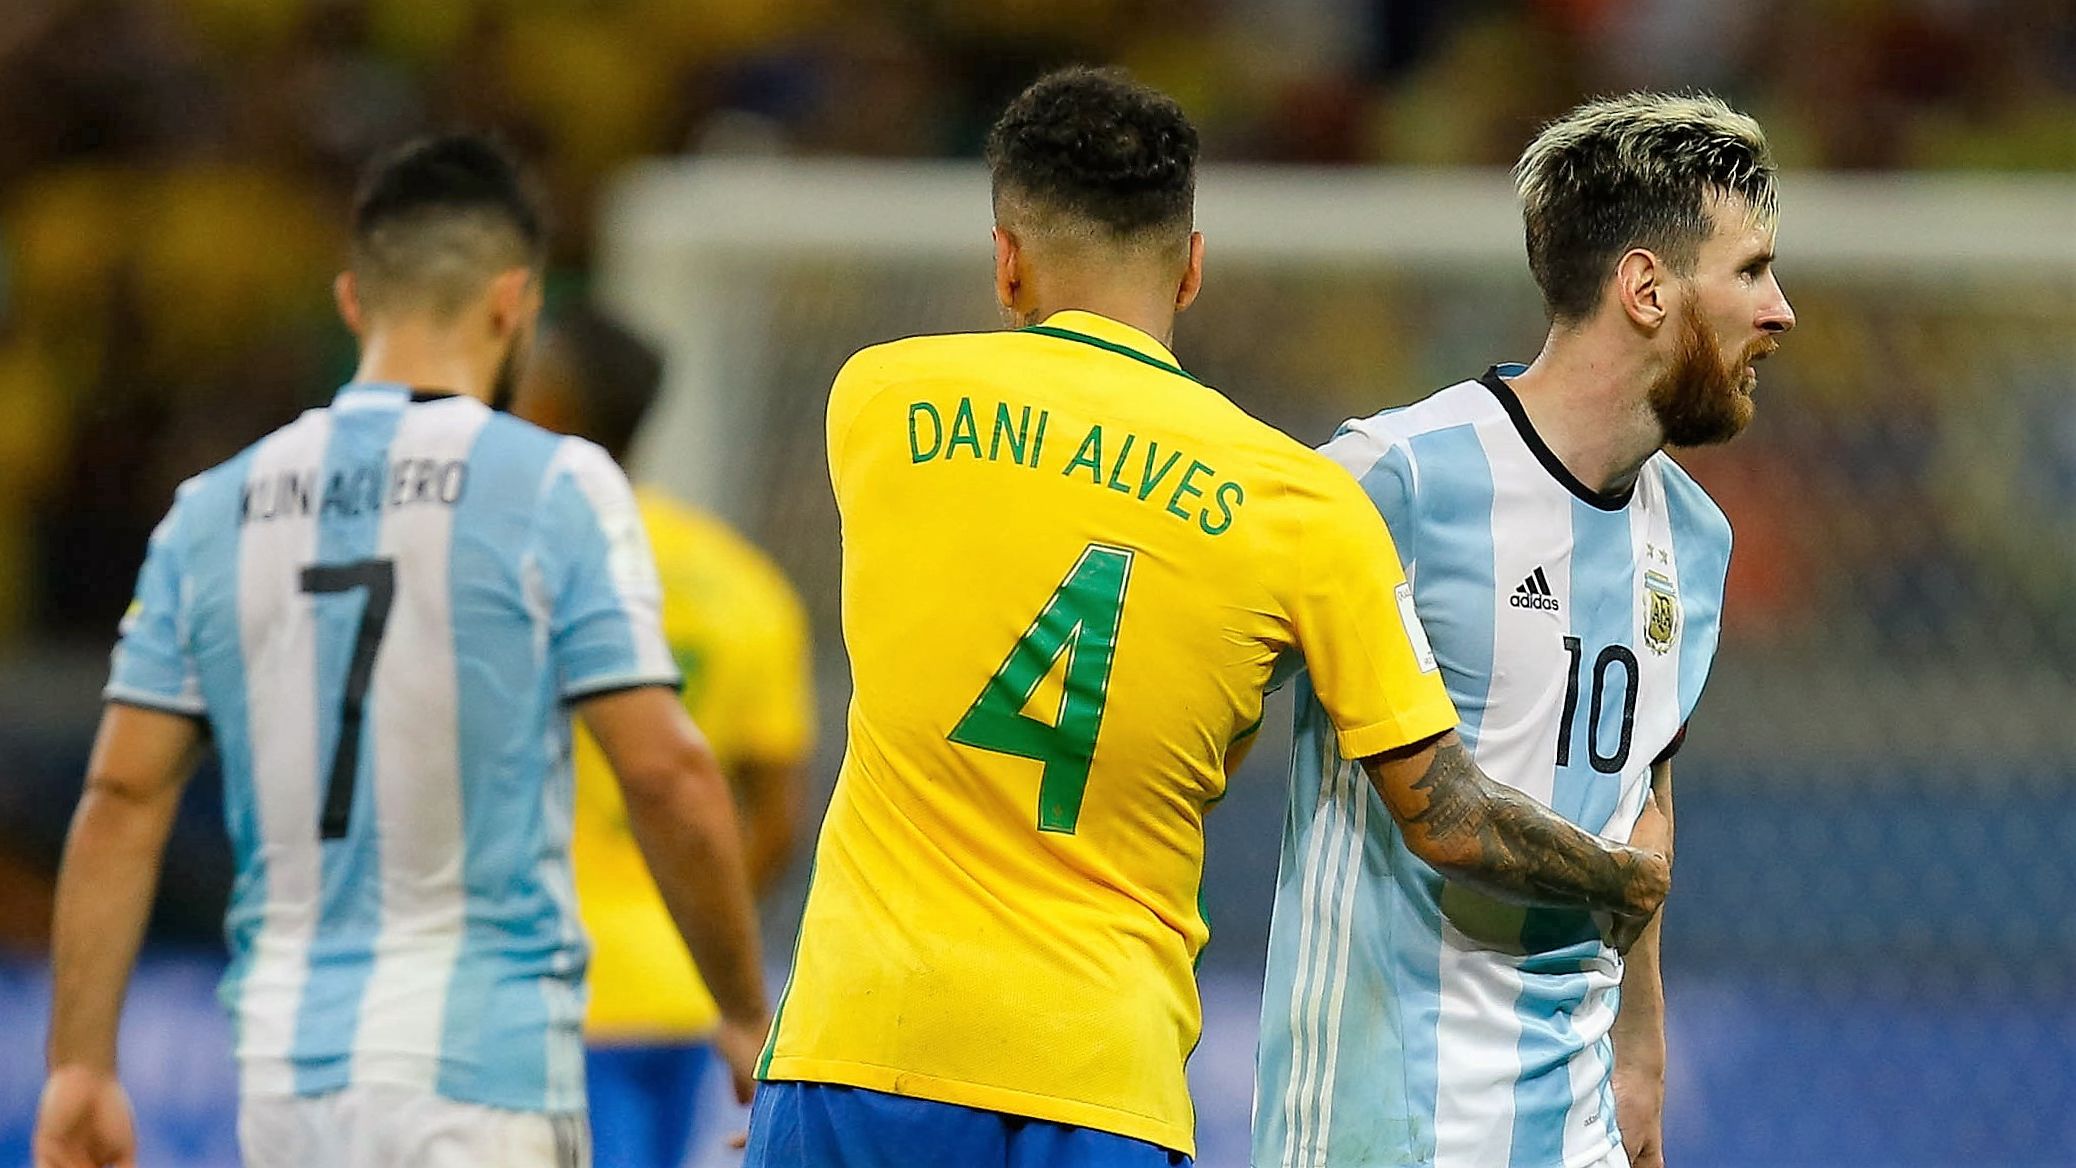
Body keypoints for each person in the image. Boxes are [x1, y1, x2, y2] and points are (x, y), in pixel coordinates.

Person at [744, 67, 1674, 1168]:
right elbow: (1450, 817)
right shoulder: (1303, 507)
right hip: (1102, 1083)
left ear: (1005, 262)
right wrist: (1622, 877)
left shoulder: (880, 400)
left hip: (860, 1043)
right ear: (1191, 268)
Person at [32, 135, 769, 1168]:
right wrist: (742, 1008)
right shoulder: (555, 485)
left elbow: (120, 795)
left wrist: (80, 1064)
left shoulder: (211, 509)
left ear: (352, 301)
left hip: (286, 1077)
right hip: (482, 1068)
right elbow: (665, 769)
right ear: (514, 304)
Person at [1254, 92, 1795, 1168]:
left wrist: (1640, 1058)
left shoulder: (1696, 539)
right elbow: (1200, 685)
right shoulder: (1394, 478)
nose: (1780, 312)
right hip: (1378, 1130)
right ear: (1646, 289)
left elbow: (1642, 806)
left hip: (1573, 1131)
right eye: (1751, 271)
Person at [514, 306, 814, 1168]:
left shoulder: (517, 565)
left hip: (545, 979)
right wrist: (699, 919)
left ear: (552, 404)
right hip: (685, 986)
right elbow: (778, 817)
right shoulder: (744, 582)